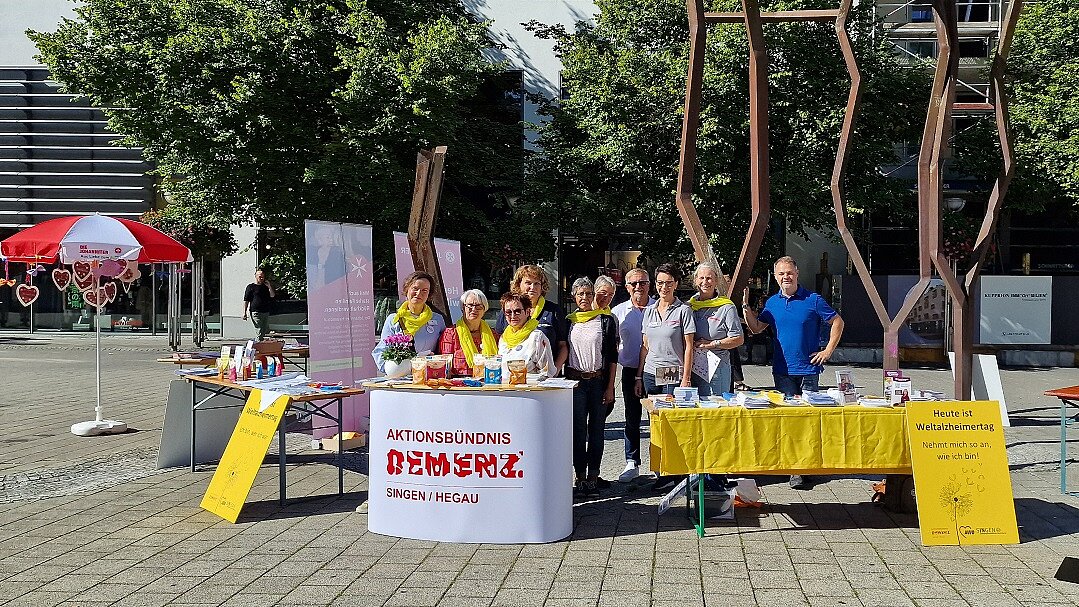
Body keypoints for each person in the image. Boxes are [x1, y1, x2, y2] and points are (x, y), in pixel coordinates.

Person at [743, 256, 845, 489]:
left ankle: (805, 467)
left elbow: (838, 322)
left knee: (807, 420)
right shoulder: (772, 303)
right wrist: (746, 308)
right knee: (789, 420)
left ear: (796, 273)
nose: (785, 277)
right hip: (783, 371)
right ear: (776, 277)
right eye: (781, 274)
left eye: (789, 272)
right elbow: (757, 328)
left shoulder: (813, 299)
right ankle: (792, 466)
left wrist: (828, 351)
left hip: (809, 369)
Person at [564, 278, 618, 498]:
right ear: (574, 297)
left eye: (588, 293)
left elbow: (613, 357)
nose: (585, 298)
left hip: (598, 382)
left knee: (597, 430)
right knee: (577, 432)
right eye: (580, 294)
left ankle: (594, 476)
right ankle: (580, 476)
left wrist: (610, 387)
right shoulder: (569, 321)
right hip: (576, 383)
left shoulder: (606, 320)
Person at [611, 268, 655, 482]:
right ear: (627, 287)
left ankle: (659, 463)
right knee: (632, 417)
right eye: (634, 283)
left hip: (657, 371)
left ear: (650, 284)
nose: (639, 286)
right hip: (630, 370)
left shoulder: (660, 308)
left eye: (643, 282)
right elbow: (611, 342)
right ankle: (632, 462)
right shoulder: (618, 312)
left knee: (657, 419)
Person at [635, 263, 695, 398]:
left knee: (668, 413)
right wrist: (638, 376)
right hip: (650, 372)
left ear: (676, 284)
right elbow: (645, 346)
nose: (664, 287)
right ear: (655, 284)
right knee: (654, 415)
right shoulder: (649, 311)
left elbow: (689, 347)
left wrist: (686, 377)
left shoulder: (684, 310)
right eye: (660, 283)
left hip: (671, 371)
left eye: (669, 283)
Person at [495, 265, 567, 376]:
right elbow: (500, 343)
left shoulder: (553, 311)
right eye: (528, 283)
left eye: (537, 283)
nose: (532, 287)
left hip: (544, 375)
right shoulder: (508, 311)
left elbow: (563, 345)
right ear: (519, 285)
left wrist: (556, 370)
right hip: (511, 377)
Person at [372, 271, 447, 374]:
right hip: (402, 378)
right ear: (407, 289)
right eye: (415, 289)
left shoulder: (438, 320)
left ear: (429, 295)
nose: (419, 293)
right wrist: (392, 370)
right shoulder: (394, 320)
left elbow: (443, 350)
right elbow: (381, 351)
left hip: (427, 377)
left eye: (424, 290)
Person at [688, 262, 744, 397]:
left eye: (709, 278)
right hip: (692, 369)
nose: (705, 282)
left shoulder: (726, 307)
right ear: (695, 280)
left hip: (716, 370)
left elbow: (739, 339)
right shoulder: (689, 306)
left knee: (715, 410)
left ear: (716, 281)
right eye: (701, 278)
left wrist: (713, 343)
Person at [437, 289, 499, 377]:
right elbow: (445, 366)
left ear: (484, 310)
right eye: (470, 305)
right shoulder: (450, 334)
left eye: (479, 306)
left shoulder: (493, 335)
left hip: (488, 382)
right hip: (461, 385)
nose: (474, 309)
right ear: (463, 308)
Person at [497, 293, 556, 376]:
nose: (513, 316)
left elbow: (547, 373)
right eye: (508, 312)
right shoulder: (503, 338)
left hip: (528, 388)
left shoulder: (537, 337)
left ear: (528, 312)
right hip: (504, 387)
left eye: (517, 311)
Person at [242, 269, 276, 340]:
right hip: (255, 312)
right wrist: (244, 313)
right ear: (256, 276)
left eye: (263, 277)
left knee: (264, 330)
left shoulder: (265, 286)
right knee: (259, 330)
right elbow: (246, 300)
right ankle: (258, 345)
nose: (262, 278)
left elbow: (272, 295)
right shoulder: (250, 287)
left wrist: (269, 286)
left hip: (265, 311)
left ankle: (260, 345)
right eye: (260, 276)